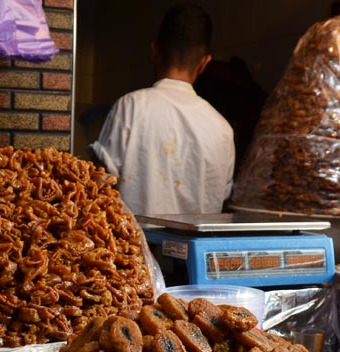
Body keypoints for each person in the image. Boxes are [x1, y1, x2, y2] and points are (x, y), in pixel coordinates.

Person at [91, 3, 235, 216]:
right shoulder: (223, 129)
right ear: (205, 63)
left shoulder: (131, 107)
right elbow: (222, 197)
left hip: (132, 248)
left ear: (154, 51)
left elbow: (99, 184)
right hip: (197, 248)